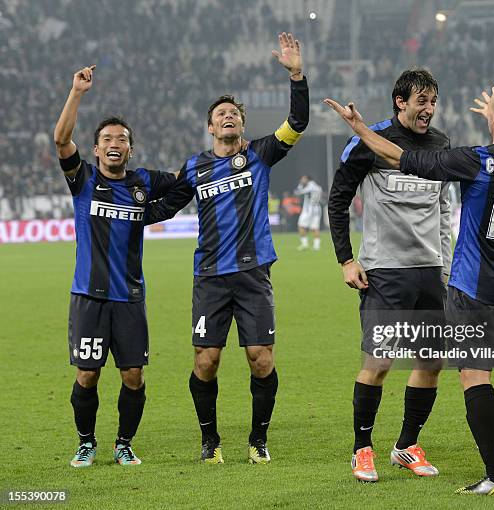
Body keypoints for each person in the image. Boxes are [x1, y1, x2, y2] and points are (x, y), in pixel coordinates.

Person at [325, 85, 494, 494]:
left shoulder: (475, 161)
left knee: (473, 374)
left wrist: (361, 128)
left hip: (474, 285)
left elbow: (400, 157)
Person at [145, 33, 308, 465]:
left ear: (241, 124)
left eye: (234, 113)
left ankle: (258, 440)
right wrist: (123, 214)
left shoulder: (260, 154)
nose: (228, 117)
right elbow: (166, 205)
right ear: (211, 127)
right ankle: (209, 440)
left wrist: (296, 75)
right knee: (206, 361)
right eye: (221, 114)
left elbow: (298, 122)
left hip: (253, 275)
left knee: (260, 358)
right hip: (211, 276)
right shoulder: (195, 166)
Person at [327, 69, 452, 482]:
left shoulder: (439, 144)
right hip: (385, 271)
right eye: (421, 101)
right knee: (379, 362)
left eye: (432, 101)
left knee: (430, 363)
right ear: (401, 102)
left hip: (430, 271)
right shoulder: (369, 141)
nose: (428, 109)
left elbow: (445, 209)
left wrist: (447, 267)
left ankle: (406, 445)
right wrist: (346, 259)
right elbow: (339, 198)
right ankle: (362, 449)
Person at [54, 65, 177, 467]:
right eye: (106, 139)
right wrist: (77, 92)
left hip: (129, 298)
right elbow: (60, 139)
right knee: (87, 376)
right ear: (95, 149)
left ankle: (124, 442)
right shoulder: (83, 180)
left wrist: (158, 210)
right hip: (88, 296)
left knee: (133, 377)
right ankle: (86, 441)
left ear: (130, 149)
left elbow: (183, 182)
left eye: (121, 140)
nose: (114, 144)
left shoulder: (142, 182)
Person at [295, 175, 323, 250]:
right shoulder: (318, 187)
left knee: (301, 225)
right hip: (317, 208)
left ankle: (305, 244)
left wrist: (300, 186)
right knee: (315, 227)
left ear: (308, 179)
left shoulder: (310, 186)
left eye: (303, 179)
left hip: (309, 208)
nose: (302, 180)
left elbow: (298, 192)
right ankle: (316, 246)